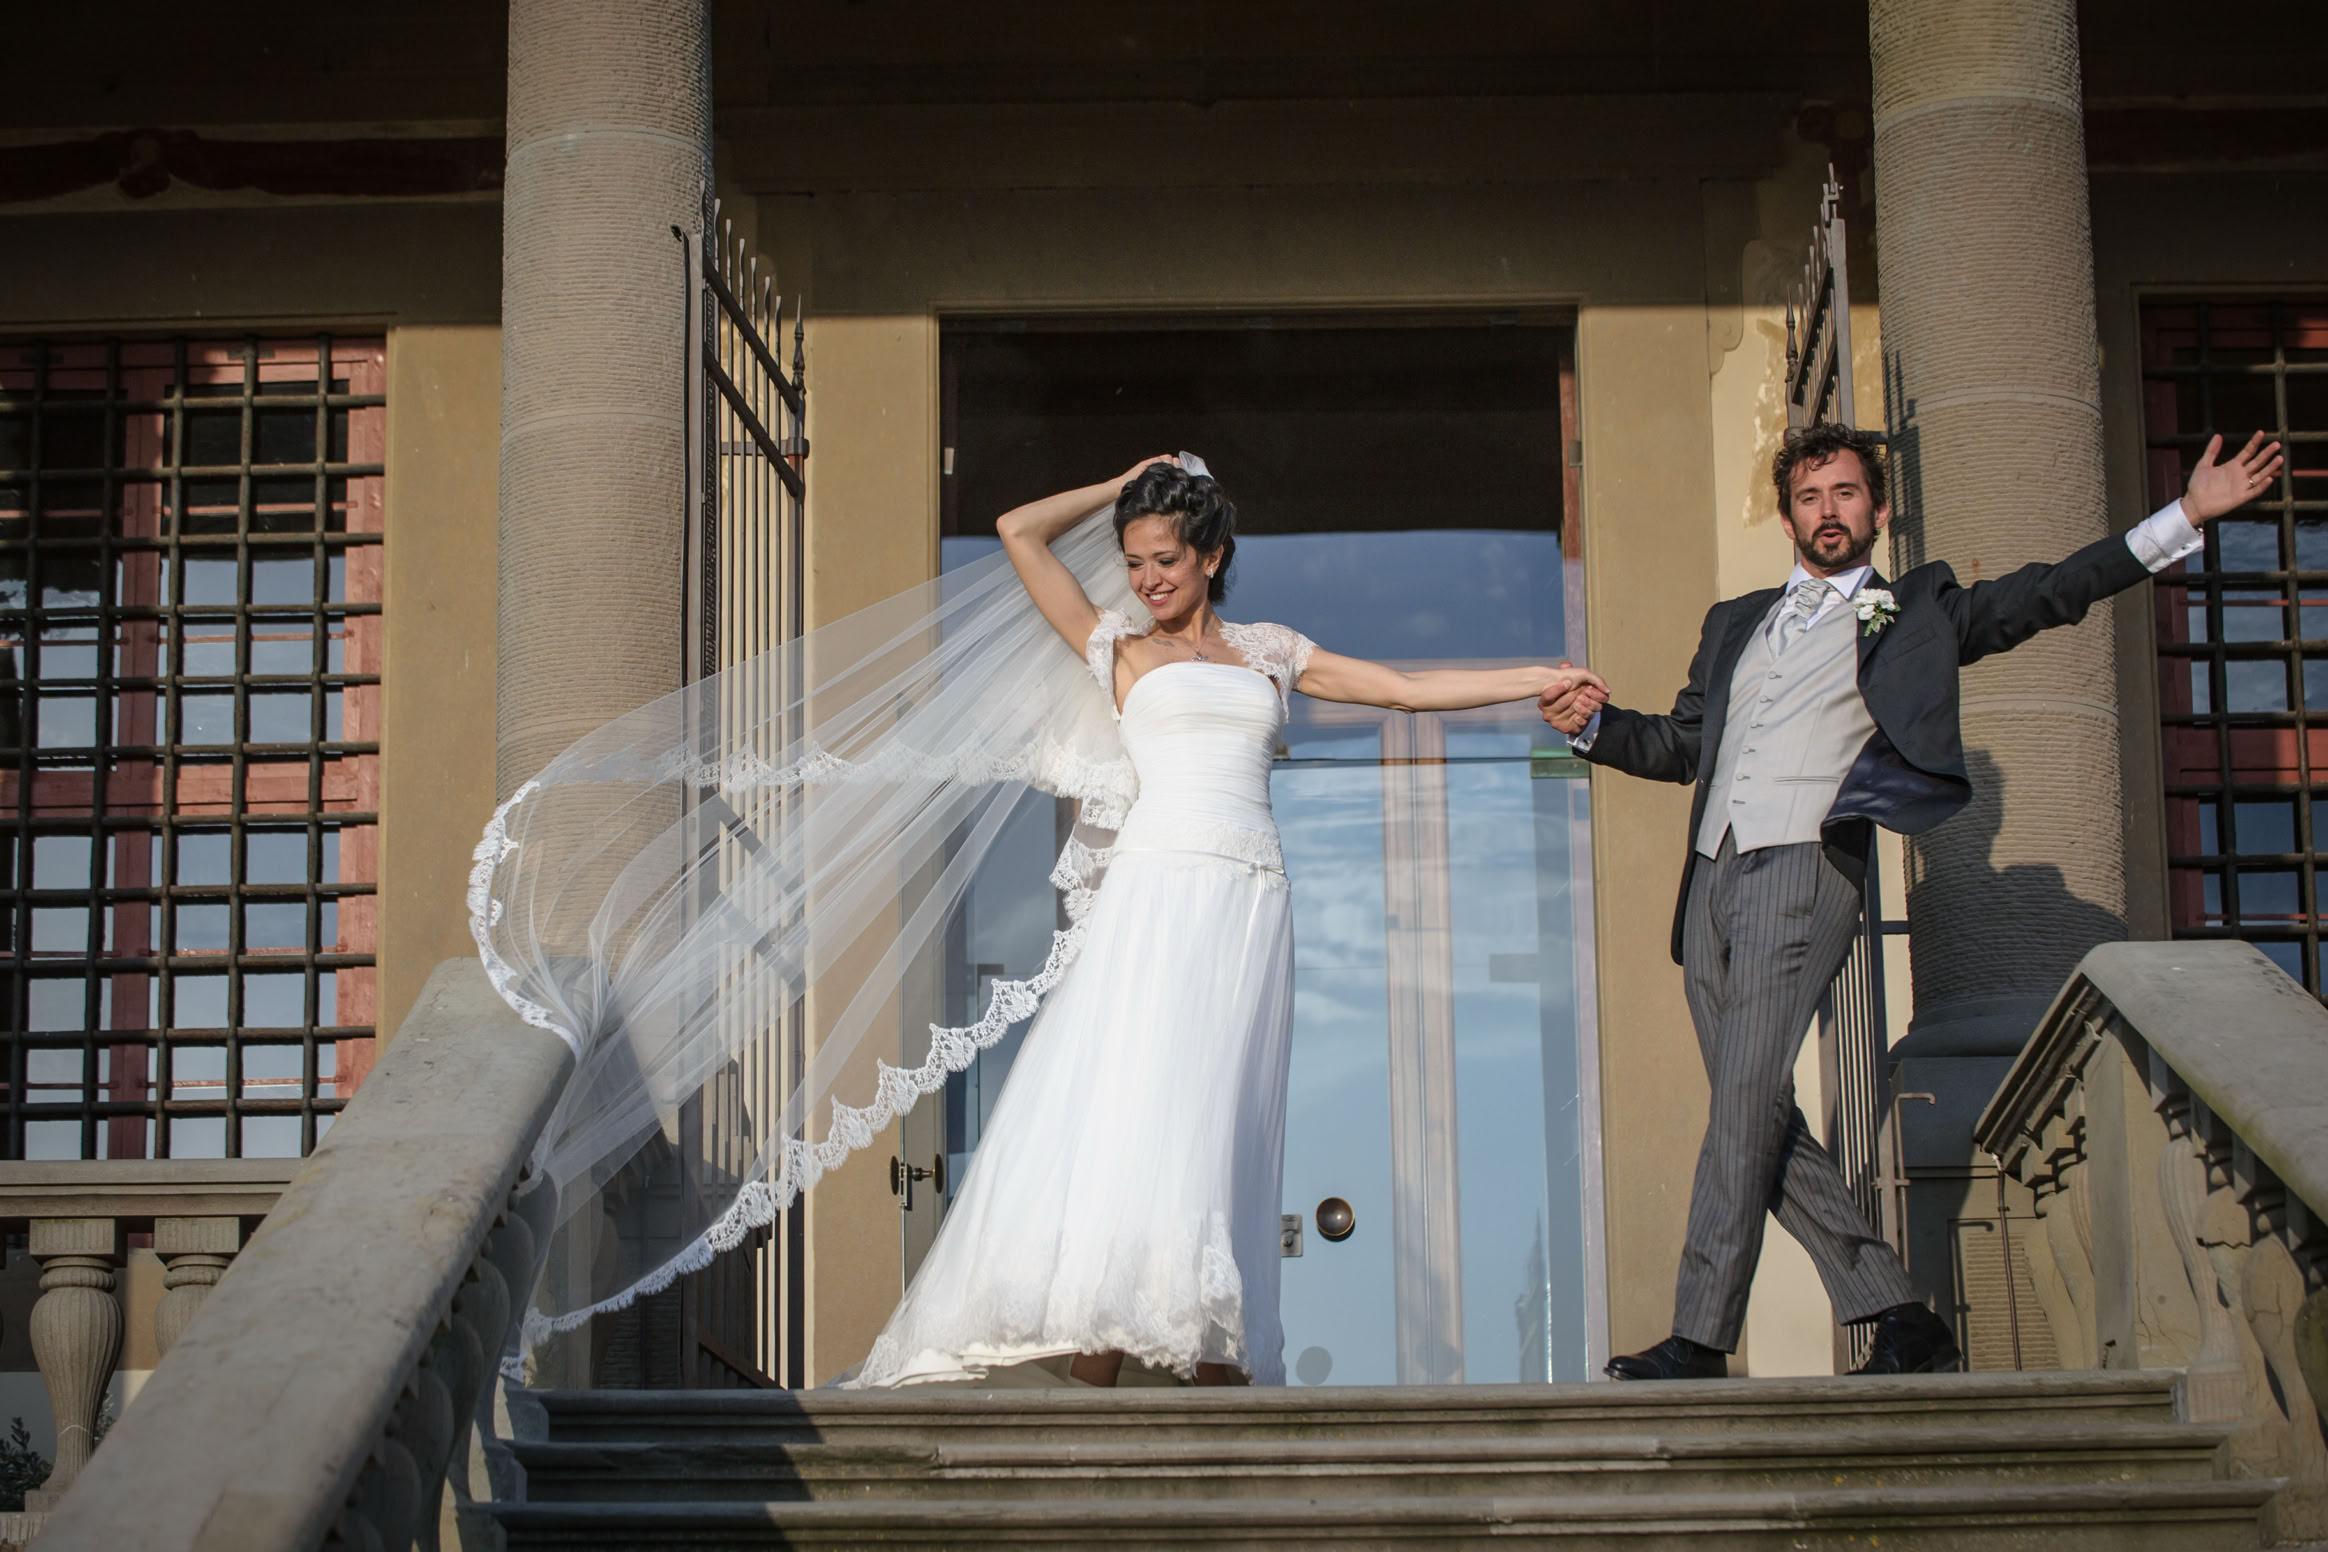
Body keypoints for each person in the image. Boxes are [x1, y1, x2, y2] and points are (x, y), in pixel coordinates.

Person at [1538, 421, 2284, 1380]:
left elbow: (2048, 593)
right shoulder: (1736, 623)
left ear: (1876, 509)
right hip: (1711, 884)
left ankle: (1700, 1336)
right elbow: (1685, 747)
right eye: (1809, 498)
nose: (1828, 512)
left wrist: (2182, 516)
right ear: (1787, 516)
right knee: (1751, 1109)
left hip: (1804, 871)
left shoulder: (1915, 610)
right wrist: (1593, 727)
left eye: (1845, 494)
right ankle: (1897, 1309)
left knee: (1741, 1110)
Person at [848, 456, 1603, 1388]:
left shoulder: (1271, 651)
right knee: (1143, 1108)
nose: (1146, 580)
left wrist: (1534, 678)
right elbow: (1016, 530)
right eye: (1133, 563)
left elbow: (1404, 690)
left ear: (1211, 555)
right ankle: (1101, 1364)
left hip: (1251, 904)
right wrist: (1124, 478)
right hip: (1158, 897)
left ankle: (1214, 1356)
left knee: (1226, 1122)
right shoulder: (1116, 648)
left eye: (1164, 559)